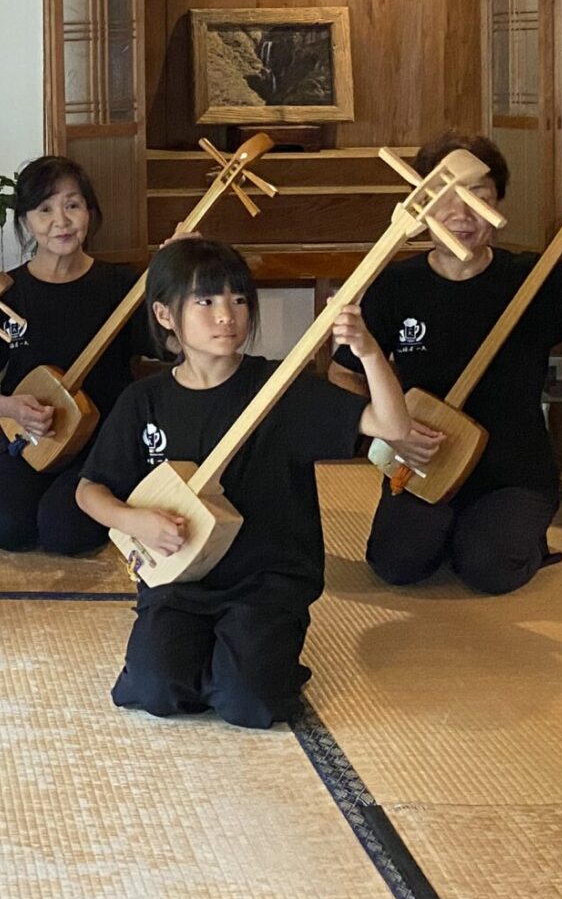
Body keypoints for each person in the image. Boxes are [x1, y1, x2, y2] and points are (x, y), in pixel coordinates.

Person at [77, 237, 409, 725]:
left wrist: (369, 351)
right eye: (205, 301)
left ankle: (256, 660)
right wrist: (135, 521)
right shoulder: (144, 400)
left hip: (265, 580)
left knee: (246, 701)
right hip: (180, 579)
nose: (226, 316)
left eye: (237, 300)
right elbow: (90, 490)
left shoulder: (280, 388)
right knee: (156, 689)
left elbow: (393, 427)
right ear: (165, 315)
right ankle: (213, 656)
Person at [332, 132, 562, 594]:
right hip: (428, 462)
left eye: (478, 196)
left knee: (489, 569)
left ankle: (520, 537)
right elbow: (343, 372)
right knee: (397, 564)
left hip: (514, 471)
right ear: (420, 205)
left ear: (498, 203)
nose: (460, 215)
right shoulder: (397, 286)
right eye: (444, 197)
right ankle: (459, 530)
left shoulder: (532, 279)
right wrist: (388, 431)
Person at [0, 156, 151, 555]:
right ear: (25, 221)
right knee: (3, 527)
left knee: (65, 534)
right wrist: (12, 407)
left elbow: (173, 348)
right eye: (44, 209)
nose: (61, 221)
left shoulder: (122, 286)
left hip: (103, 440)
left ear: (89, 213)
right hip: (32, 436)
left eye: (72, 205)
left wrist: (179, 276)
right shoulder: (6, 294)